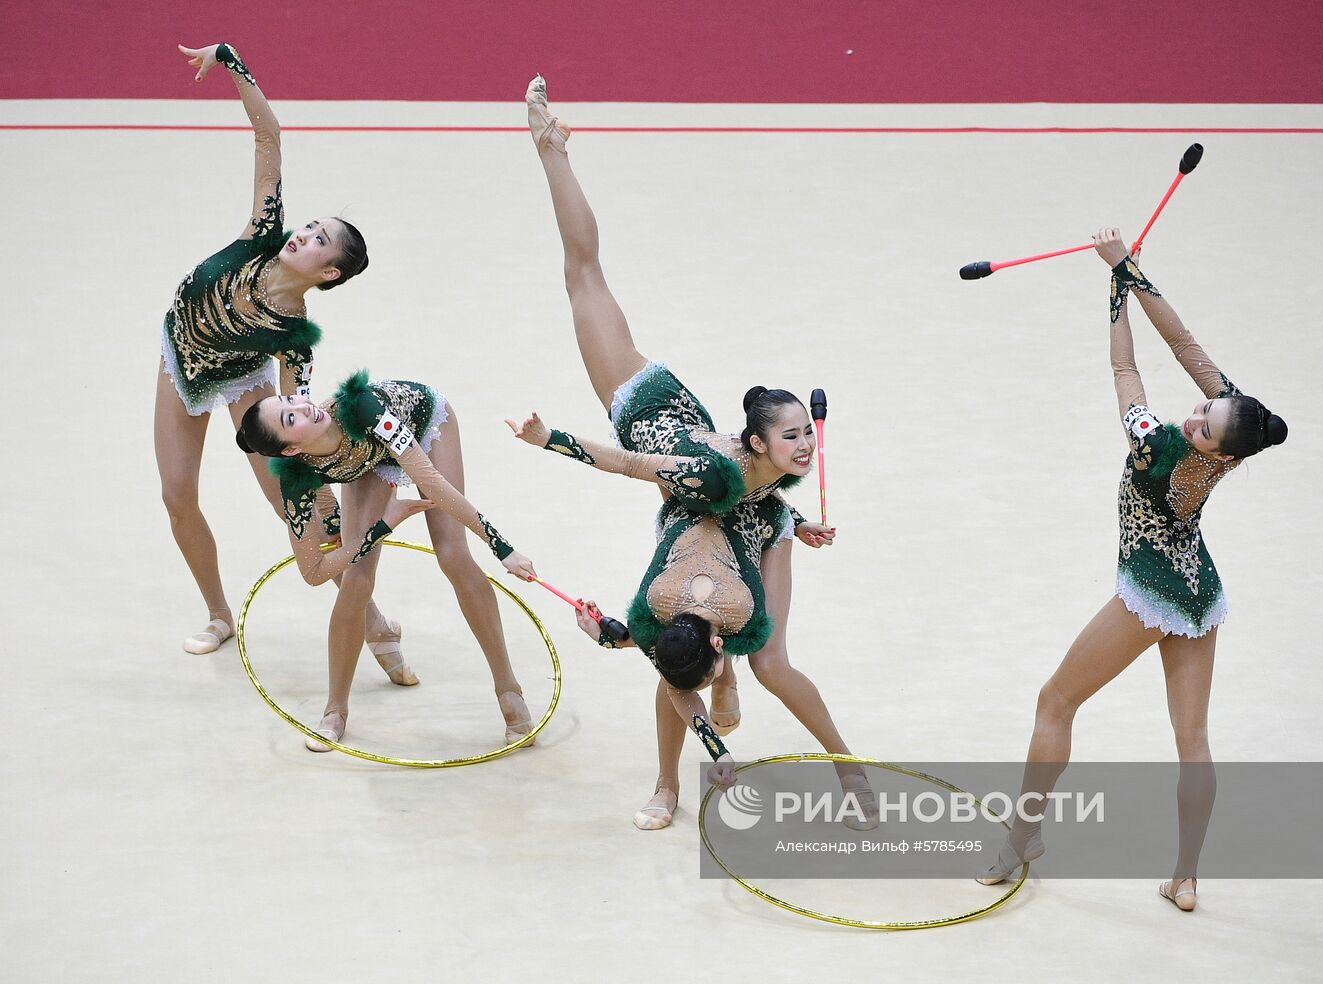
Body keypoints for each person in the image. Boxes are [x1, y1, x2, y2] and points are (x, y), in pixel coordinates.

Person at [515, 76, 870, 831]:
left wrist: (795, 518)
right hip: (649, 414)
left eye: (806, 434)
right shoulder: (712, 475)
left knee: (770, 662)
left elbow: (757, 494)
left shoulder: (757, 473)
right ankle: (666, 784)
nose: (806, 443)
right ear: (757, 442)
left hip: (730, 526)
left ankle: (847, 763)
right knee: (583, 273)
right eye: (793, 436)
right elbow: (634, 464)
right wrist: (555, 442)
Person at [977, 228, 1288, 912]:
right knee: (1193, 740)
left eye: (1206, 420)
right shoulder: (1240, 440)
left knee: (1055, 702)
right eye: (1205, 405)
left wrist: (1114, 296)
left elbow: (1126, 372)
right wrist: (1128, 271)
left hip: (1150, 590)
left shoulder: (1156, 446)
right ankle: (1186, 877)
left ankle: (1019, 841)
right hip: (1200, 590)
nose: (1198, 411)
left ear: (1214, 444)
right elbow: (1185, 347)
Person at [157, 42, 399, 672]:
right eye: (311, 226)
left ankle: (368, 617)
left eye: (319, 241)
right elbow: (269, 136)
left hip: (241, 373)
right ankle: (218, 614)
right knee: (177, 494)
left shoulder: (294, 335)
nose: (303, 235)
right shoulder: (264, 231)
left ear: (329, 273)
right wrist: (232, 63)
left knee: (285, 495)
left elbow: (297, 412)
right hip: (180, 359)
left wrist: (316, 478)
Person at [237, 370, 538, 750]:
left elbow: (432, 483)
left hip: (423, 424)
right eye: (290, 417)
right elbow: (314, 572)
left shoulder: (361, 407)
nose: (303, 405)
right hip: (366, 462)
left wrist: (501, 547)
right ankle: (336, 710)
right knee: (356, 580)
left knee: (452, 554)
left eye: (292, 400)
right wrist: (384, 523)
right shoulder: (297, 479)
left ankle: (509, 691)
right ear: (291, 451)